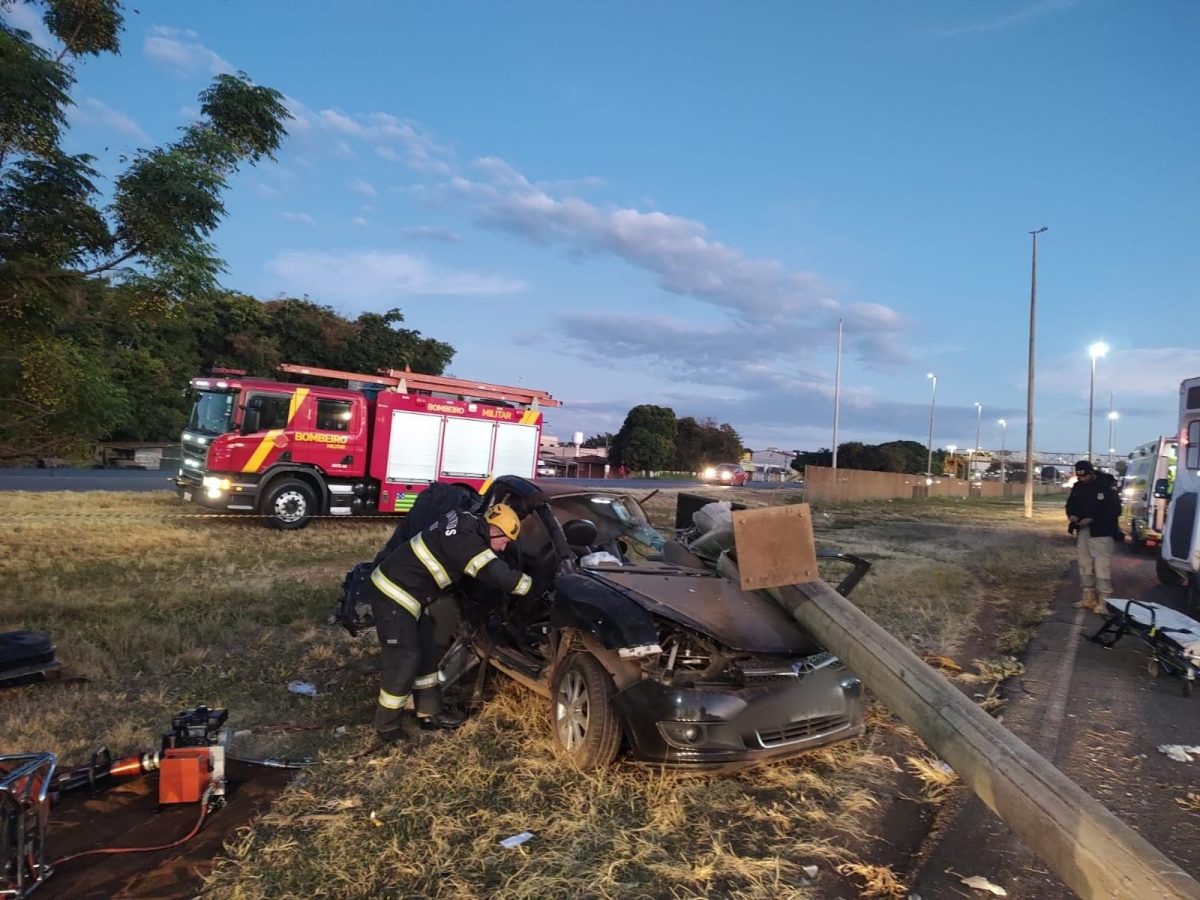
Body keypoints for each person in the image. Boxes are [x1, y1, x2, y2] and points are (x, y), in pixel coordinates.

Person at [364, 502, 533, 743]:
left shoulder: (466, 522)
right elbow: (496, 574)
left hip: (410, 594)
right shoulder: (467, 545)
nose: (504, 548)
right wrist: (532, 587)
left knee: (428, 651)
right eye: (504, 541)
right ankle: (387, 726)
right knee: (405, 657)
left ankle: (429, 712)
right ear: (493, 530)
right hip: (393, 593)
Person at [1065, 459, 1122, 613]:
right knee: (1085, 564)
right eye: (1079, 477)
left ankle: (1105, 601)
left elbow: (1115, 509)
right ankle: (1088, 597)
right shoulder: (1078, 486)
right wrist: (1073, 515)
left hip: (1102, 531)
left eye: (1085, 476)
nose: (1082, 479)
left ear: (1091, 473)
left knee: (1102, 566)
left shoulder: (1106, 485)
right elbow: (1071, 504)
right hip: (1083, 530)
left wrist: (1093, 519)